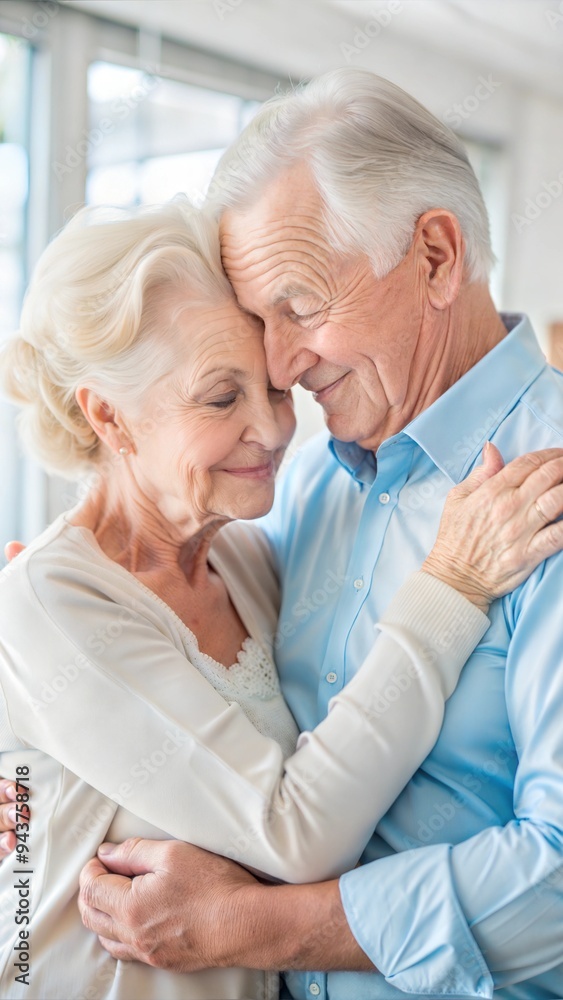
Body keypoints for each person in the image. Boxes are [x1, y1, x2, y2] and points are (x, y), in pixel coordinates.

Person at [74, 70, 563, 1000]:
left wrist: (253, 927)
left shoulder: (544, 487)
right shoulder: (309, 487)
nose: (278, 366)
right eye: (258, 324)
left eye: (298, 307)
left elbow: (557, 878)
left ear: (434, 257)